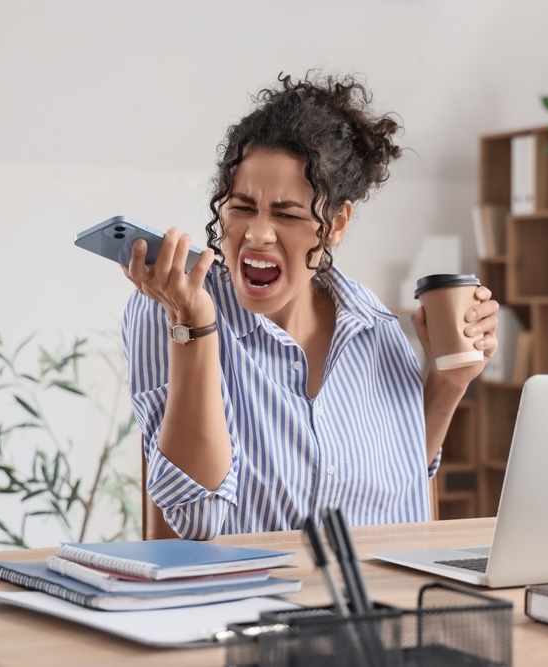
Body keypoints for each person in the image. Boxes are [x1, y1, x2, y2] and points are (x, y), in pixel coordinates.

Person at [122, 72, 499, 540]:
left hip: (369, 604)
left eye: (286, 214)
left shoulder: (373, 325)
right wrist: (193, 325)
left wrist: (448, 381)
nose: (257, 234)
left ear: (336, 223)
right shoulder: (170, 306)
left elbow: (398, 494)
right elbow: (196, 520)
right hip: (246, 605)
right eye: (241, 208)